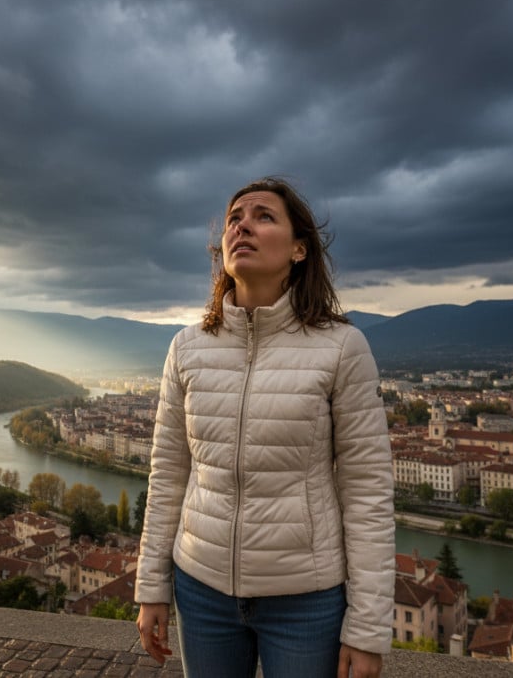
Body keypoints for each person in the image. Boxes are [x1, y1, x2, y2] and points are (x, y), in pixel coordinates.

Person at [134, 177, 395, 678]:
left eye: (263, 216)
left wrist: (366, 629)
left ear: (299, 249)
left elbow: (366, 492)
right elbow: (167, 475)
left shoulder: (342, 347)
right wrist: (152, 587)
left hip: (306, 599)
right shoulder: (186, 348)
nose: (243, 226)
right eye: (235, 218)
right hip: (200, 587)